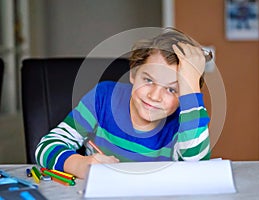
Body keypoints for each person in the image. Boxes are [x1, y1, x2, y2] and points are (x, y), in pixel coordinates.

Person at [35, 28, 211, 179]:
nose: (155, 96)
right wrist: (79, 165)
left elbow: (196, 167)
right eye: (148, 80)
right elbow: (46, 147)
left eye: (172, 89)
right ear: (133, 74)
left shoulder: (186, 119)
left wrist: (191, 84)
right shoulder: (103, 97)